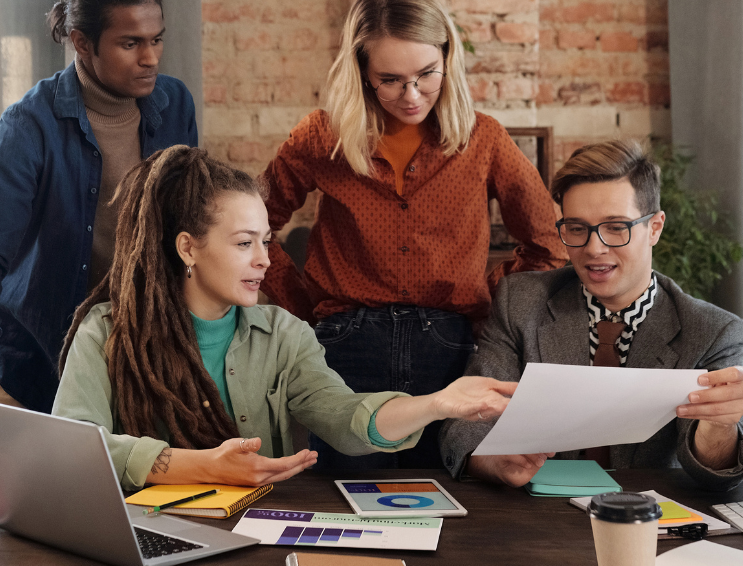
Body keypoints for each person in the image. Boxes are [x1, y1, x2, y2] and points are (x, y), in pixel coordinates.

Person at [53, 147, 516, 492]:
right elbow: (73, 448)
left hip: (257, 539)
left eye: (266, 241)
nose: (265, 260)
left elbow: (346, 417)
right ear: (188, 247)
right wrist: (200, 466)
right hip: (145, 538)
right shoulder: (107, 332)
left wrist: (437, 404)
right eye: (243, 243)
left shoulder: (285, 334)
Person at [261, 0, 567, 470]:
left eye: (427, 74)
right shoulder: (322, 137)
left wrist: (485, 293)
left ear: (448, 57)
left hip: (447, 348)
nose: (411, 95)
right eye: (390, 79)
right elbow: (257, 227)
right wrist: (302, 310)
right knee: (345, 499)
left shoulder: (483, 138)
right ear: (361, 71)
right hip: (344, 347)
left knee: (448, 498)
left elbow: (550, 244)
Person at [0, 0, 197, 450]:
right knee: (21, 523)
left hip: (140, 374)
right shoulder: (28, 126)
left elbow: (189, 231)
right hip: (35, 370)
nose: (150, 58)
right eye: (130, 43)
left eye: (156, 39)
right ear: (81, 42)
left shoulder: (175, 105)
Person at [439, 138, 743, 490]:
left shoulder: (713, 330)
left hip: (648, 520)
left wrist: (720, 424)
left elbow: (715, 473)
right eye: (577, 228)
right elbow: (465, 421)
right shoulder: (521, 301)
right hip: (536, 518)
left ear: (654, 228)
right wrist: (491, 461)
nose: (594, 248)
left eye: (616, 227)